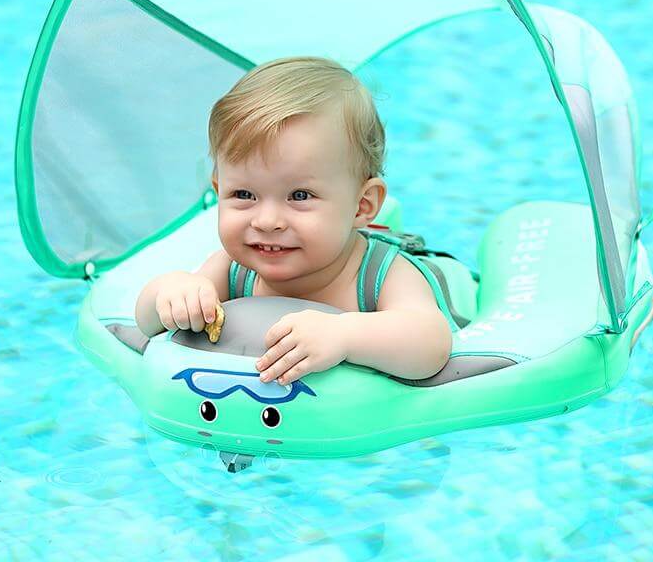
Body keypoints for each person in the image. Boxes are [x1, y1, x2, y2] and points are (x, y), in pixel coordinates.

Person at [134, 56, 452, 384]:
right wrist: (173, 292)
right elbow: (146, 321)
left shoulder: (382, 276)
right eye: (244, 194)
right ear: (219, 191)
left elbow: (431, 345)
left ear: (361, 206)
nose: (267, 221)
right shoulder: (233, 270)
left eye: (299, 196)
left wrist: (344, 334)